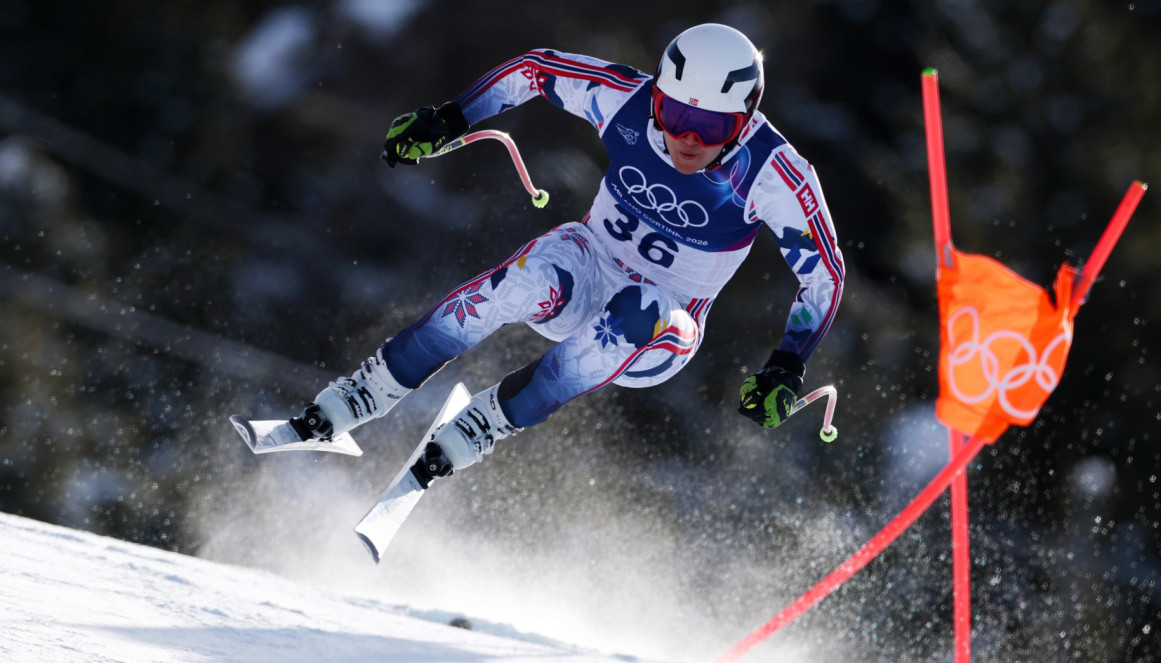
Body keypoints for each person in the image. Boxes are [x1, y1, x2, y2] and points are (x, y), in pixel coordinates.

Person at [290, 23, 844, 479]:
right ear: (657, 96)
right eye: (675, 115)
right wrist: (451, 118)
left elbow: (824, 272)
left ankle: (489, 422)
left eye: (712, 124)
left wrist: (786, 364)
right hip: (587, 265)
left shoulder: (774, 174)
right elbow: (538, 69)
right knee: (525, 280)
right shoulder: (626, 101)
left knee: (638, 310)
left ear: (746, 117)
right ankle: (367, 391)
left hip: (661, 328)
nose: (688, 138)